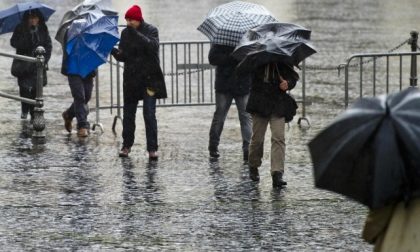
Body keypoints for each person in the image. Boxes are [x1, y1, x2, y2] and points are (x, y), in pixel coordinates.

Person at [111, 5, 167, 159]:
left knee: (149, 114)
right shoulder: (125, 33)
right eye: (127, 20)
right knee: (129, 114)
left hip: (149, 80)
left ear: (138, 19)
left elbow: (152, 46)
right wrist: (112, 49)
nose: (129, 23)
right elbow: (123, 56)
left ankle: (152, 148)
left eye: (131, 20)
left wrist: (136, 34)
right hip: (131, 80)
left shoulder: (151, 30)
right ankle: (126, 145)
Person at [246, 63, 299, 188]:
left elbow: (292, 78)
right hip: (259, 103)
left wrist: (288, 83)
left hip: (278, 103)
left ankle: (277, 173)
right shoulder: (256, 58)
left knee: (278, 137)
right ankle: (253, 165)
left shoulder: (283, 58)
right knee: (257, 139)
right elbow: (246, 76)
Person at [207, 44, 252, 161]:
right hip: (225, 84)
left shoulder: (246, 41)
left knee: (245, 116)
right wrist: (232, 57)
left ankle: (247, 148)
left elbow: (252, 60)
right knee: (220, 115)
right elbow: (212, 58)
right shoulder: (221, 41)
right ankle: (213, 146)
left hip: (242, 84)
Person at [10, 9, 52, 121]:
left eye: (35, 17)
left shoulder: (43, 28)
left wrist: (45, 60)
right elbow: (13, 42)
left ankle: (34, 114)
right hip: (23, 64)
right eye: (31, 18)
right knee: (24, 88)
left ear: (39, 19)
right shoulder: (20, 28)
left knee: (36, 89)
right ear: (27, 19)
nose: (33, 20)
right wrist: (27, 37)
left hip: (37, 66)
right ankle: (24, 110)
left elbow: (48, 45)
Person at [60, 25, 96, 138]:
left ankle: (68, 114)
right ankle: (82, 126)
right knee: (79, 96)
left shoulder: (94, 30)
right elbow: (67, 48)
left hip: (88, 68)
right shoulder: (70, 30)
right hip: (73, 67)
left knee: (87, 96)